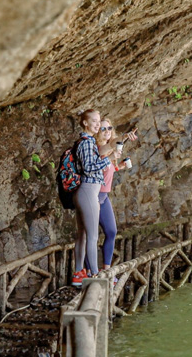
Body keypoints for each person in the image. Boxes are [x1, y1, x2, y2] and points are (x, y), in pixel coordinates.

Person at [71, 109, 109, 287]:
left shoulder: (86, 141)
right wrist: (107, 160)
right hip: (88, 190)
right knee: (92, 236)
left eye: (99, 121)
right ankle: (94, 274)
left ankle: (79, 273)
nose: (97, 124)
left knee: (83, 236)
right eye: (93, 121)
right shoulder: (86, 143)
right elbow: (88, 167)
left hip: (83, 192)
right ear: (85, 123)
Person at [94, 119, 137, 270]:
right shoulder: (98, 147)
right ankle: (88, 271)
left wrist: (120, 167)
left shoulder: (111, 150)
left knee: (111, 231)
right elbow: (105, 151)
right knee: (91, 235)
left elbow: (108, 170)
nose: (107, 131)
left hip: (104, 196)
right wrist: (124, 137)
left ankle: (106, 269)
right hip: (94, 195)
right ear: (97, 131)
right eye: (103, 128)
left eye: (109, 128)